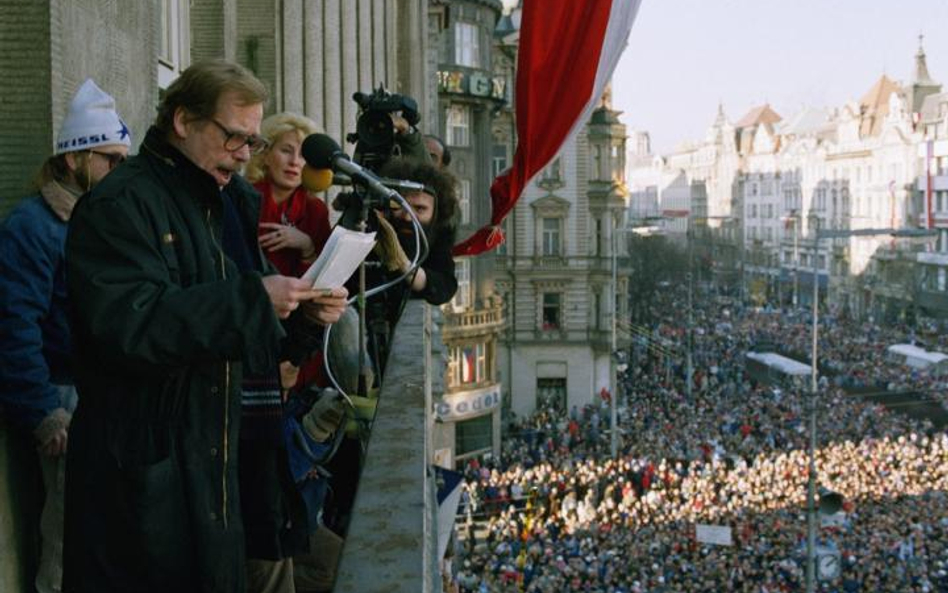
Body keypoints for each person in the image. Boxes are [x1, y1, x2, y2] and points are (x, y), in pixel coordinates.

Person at [62, 60, 346, 593]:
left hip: (214, 466)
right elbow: (130, 325)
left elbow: (256, 336)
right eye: (233, 136)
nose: (244, 153)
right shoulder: (120, 203)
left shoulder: (231, 200)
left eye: (253, 141)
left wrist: (305, 318)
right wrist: (253, 300)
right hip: (142, 478)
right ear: (183, 120)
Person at [0, 79, 129, 593]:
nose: (121, 170)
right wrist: (43, 411)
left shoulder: (99, 216)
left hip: (100, 390)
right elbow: (14, 323)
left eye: (125, 159)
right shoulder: (32, 226)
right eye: (110, 159)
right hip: (62, 395)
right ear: (76, 158)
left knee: (102, 534)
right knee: (66, 537)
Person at [362, 157, 459, 374]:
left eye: (420, 209)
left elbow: (444, 286)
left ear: (436, 213)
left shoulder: (439, 237)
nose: (408, 217)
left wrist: (404, 266)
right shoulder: (370, 225)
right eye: (400, 206)